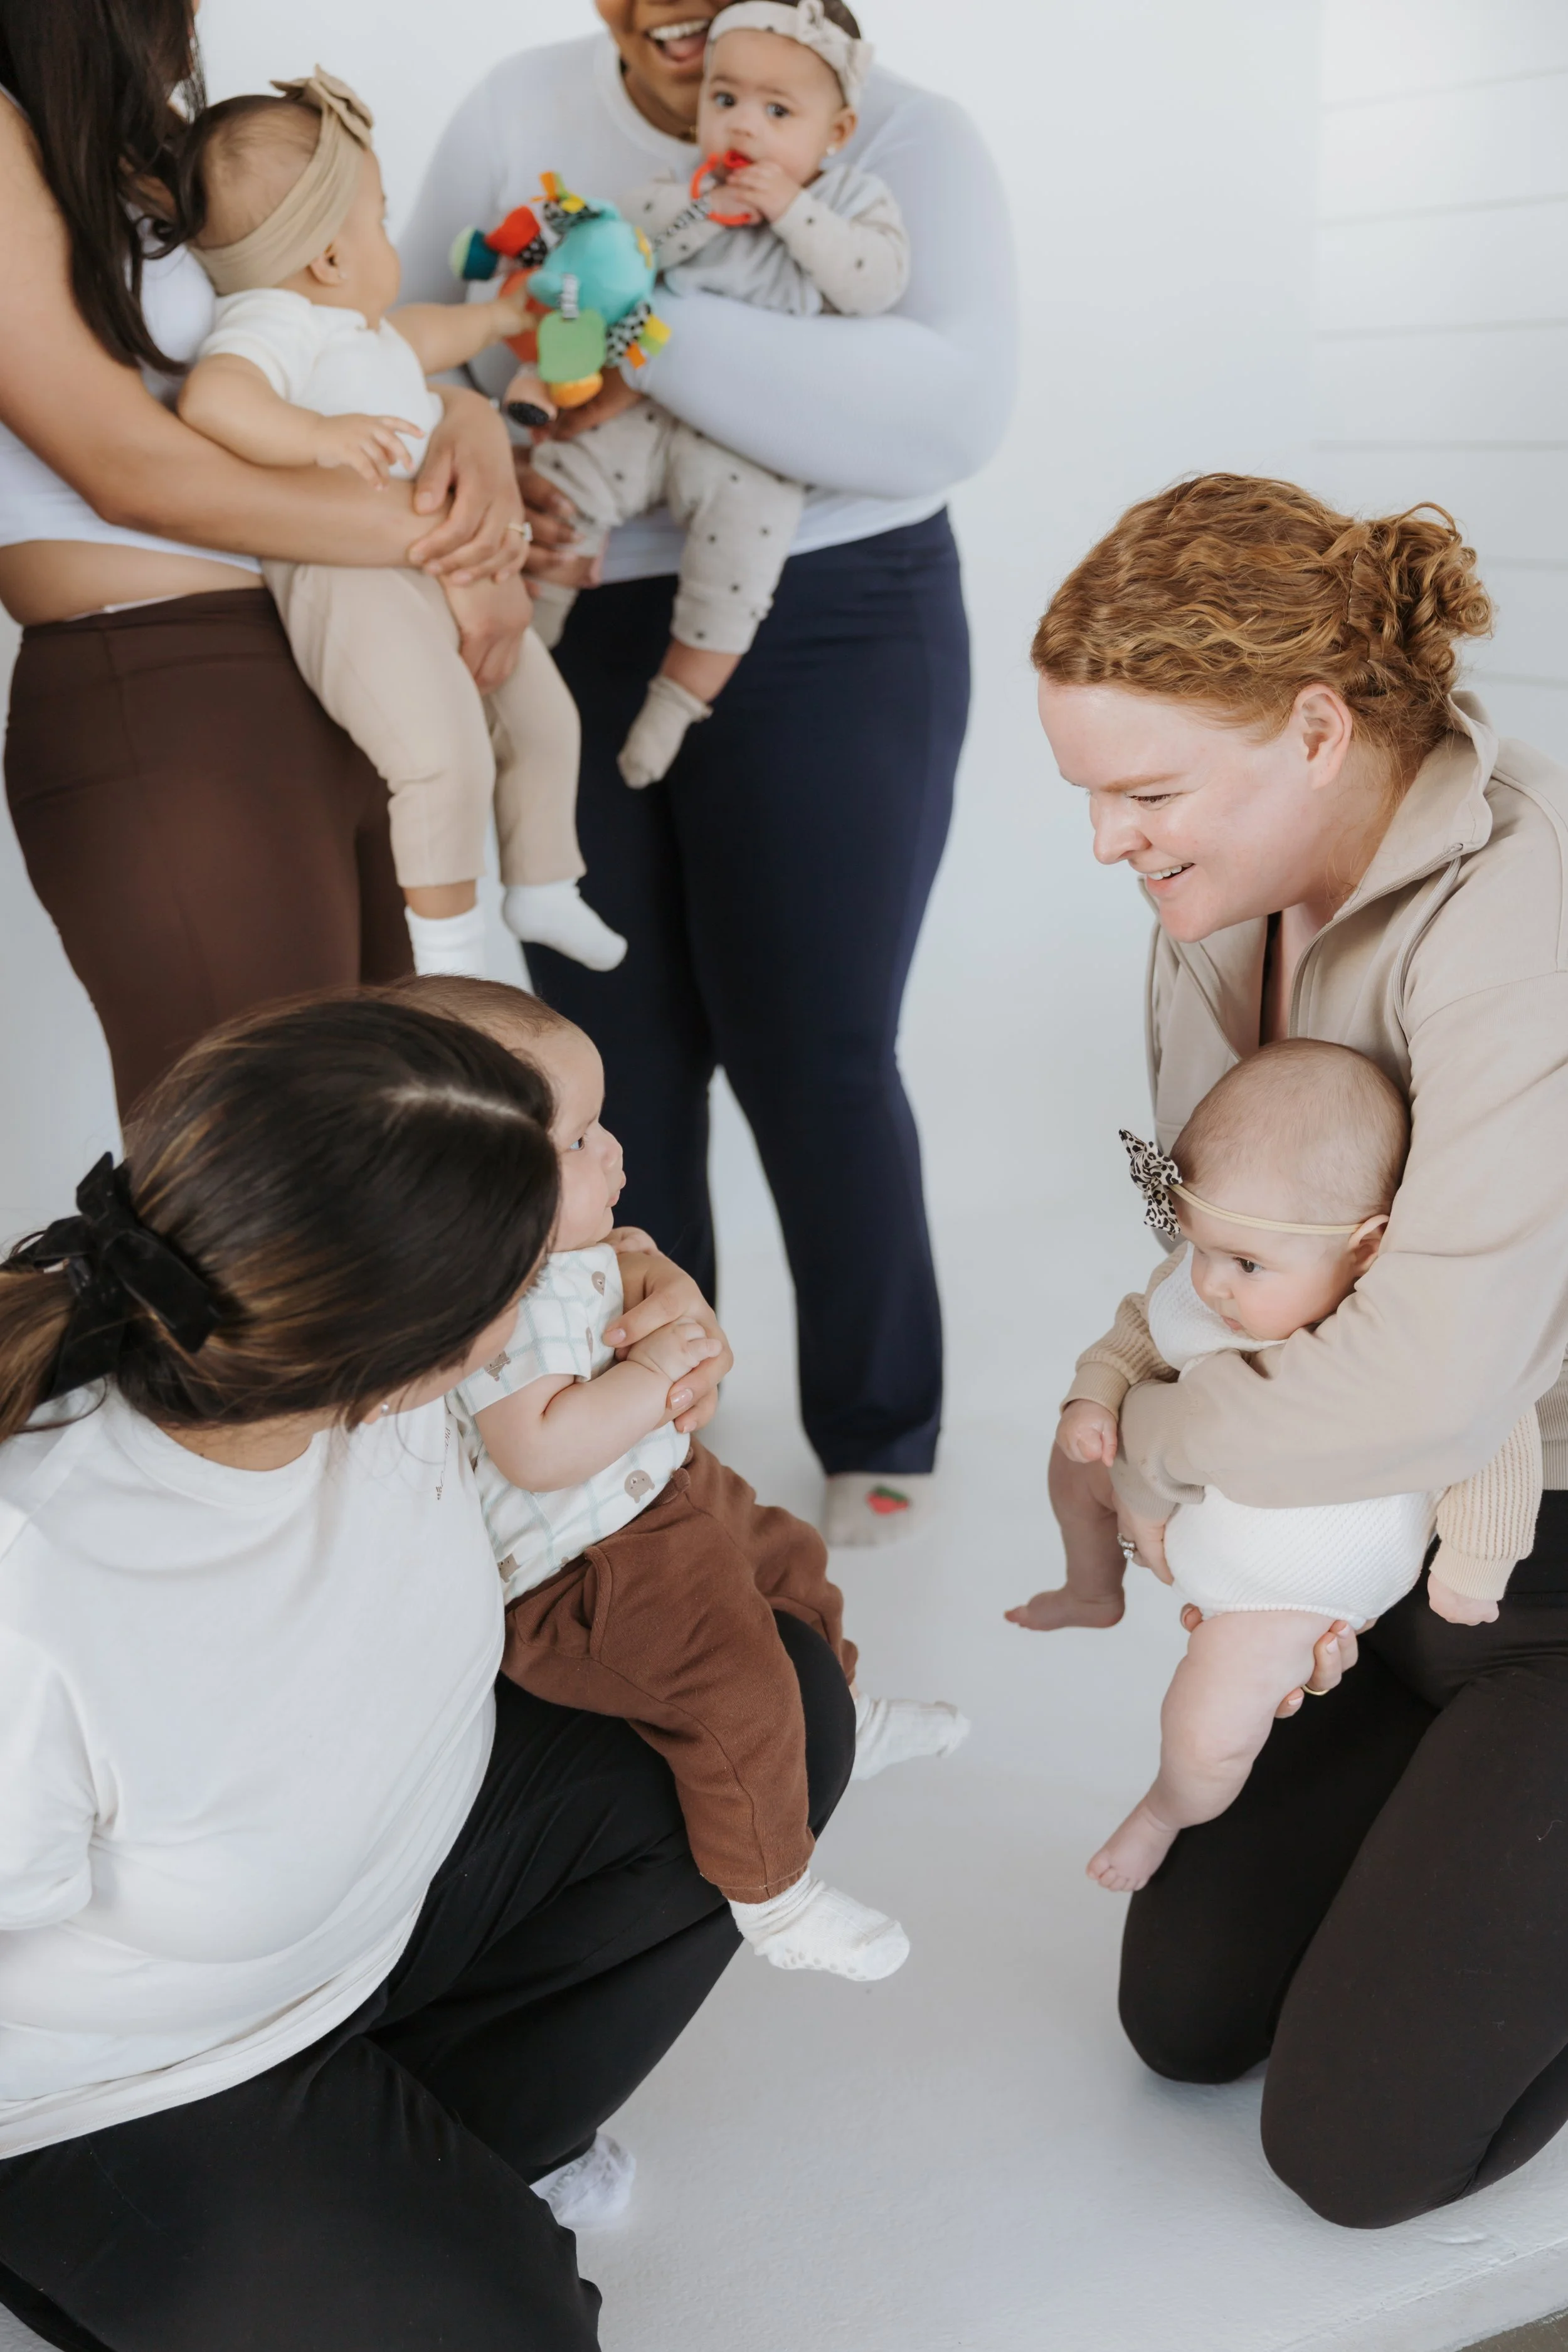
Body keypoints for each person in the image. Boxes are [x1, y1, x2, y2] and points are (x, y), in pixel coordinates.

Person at [0, 992, 848, 2352]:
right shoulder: (41, 1590)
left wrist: (655, 1296)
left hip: (367, 1925)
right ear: (415, 1353)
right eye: (526, 1282)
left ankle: (412, 2165)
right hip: (133, 2082)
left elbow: (557, 1232)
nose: (554, 1295)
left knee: (778, 1716)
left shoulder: (359, 1372)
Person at [398, 0, 1016, 1547]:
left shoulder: (906, 136)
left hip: (838, 612)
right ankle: (657, 1393)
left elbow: (940, 412)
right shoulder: (514, 106)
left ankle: (878, 1422)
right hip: (583, 611)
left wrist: (624, 309)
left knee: (818, 1045)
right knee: (609, 1059)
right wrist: (493, 456)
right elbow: (414, 345)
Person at [1031, 472, 1568, 2228]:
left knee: (1352, 2149)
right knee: (1181, 2018)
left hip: (1537, 1551)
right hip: (1387, 1551)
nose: (1109, 840)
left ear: (1317, 727)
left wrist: (1163, 1456)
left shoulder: (1516, 912)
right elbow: (1226, 1261)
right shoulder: (1216, 910)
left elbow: (1429, 1386)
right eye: (1092, 794)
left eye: (1145, 791)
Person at [0, 0, 531, 1116]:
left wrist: (467, 431)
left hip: (329, 649)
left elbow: (315, 354)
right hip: (168, 683)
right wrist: (455, 544)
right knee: (268, 1178)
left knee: (416, 1159)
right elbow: (122, 464)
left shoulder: (141, 137)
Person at [392, 973, 969, 1983]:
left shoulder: (563, 1253)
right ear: (470, 1186)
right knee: (729, 1685)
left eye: (599, 1125)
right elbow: (537, 1447)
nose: (613, 1151)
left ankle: (847, 1706)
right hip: (590, 1568)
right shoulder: (482, 1312)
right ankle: (775, 1895)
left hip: (664, 1493)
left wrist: (649, 1269)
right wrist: (658, 1372)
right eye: (578, 1141)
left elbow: (617, 1280)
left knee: (792, 1560)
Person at [1006, 1041, 1539, 1892]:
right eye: (1201, 1245)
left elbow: (1494, 1427)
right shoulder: (1214, 1270)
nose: (1212, 1283)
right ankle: (1092, 1584)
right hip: (1187, 1493)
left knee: (1211, 1717)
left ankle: (1166, 1807)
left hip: (1293, 1578)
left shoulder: (1397, 1324)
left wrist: (1479, 1560)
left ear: (1365, 1247)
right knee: (1074, 1468)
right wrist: (1094, 1397)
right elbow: (1145, 1327)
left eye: (1246, 1264)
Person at [176, 70, 625, 979]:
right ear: (330, 260)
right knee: (441, 754)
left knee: (545, 720)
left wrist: (499, 316)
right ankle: (451, 952)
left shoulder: (362, 329)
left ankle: (543, 884)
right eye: (379, 221)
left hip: (429, 563)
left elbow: (424, 335)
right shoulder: (272, 322)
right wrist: (315, 433)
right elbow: (213, 400)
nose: (391, 237)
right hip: (347, 574)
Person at [526, 0, 911, 788]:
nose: (743, 128)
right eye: (724, 100)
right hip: (643, 415)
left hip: (753, 445)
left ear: (834, 134)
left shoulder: (847, 204)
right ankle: (524, 650)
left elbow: (874, 285)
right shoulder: (680, 192)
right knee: (562, 490)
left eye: (777, 111)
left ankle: (674, 707)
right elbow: (619, 252)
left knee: (738, 573)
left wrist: (789, 210)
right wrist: (703, 213)